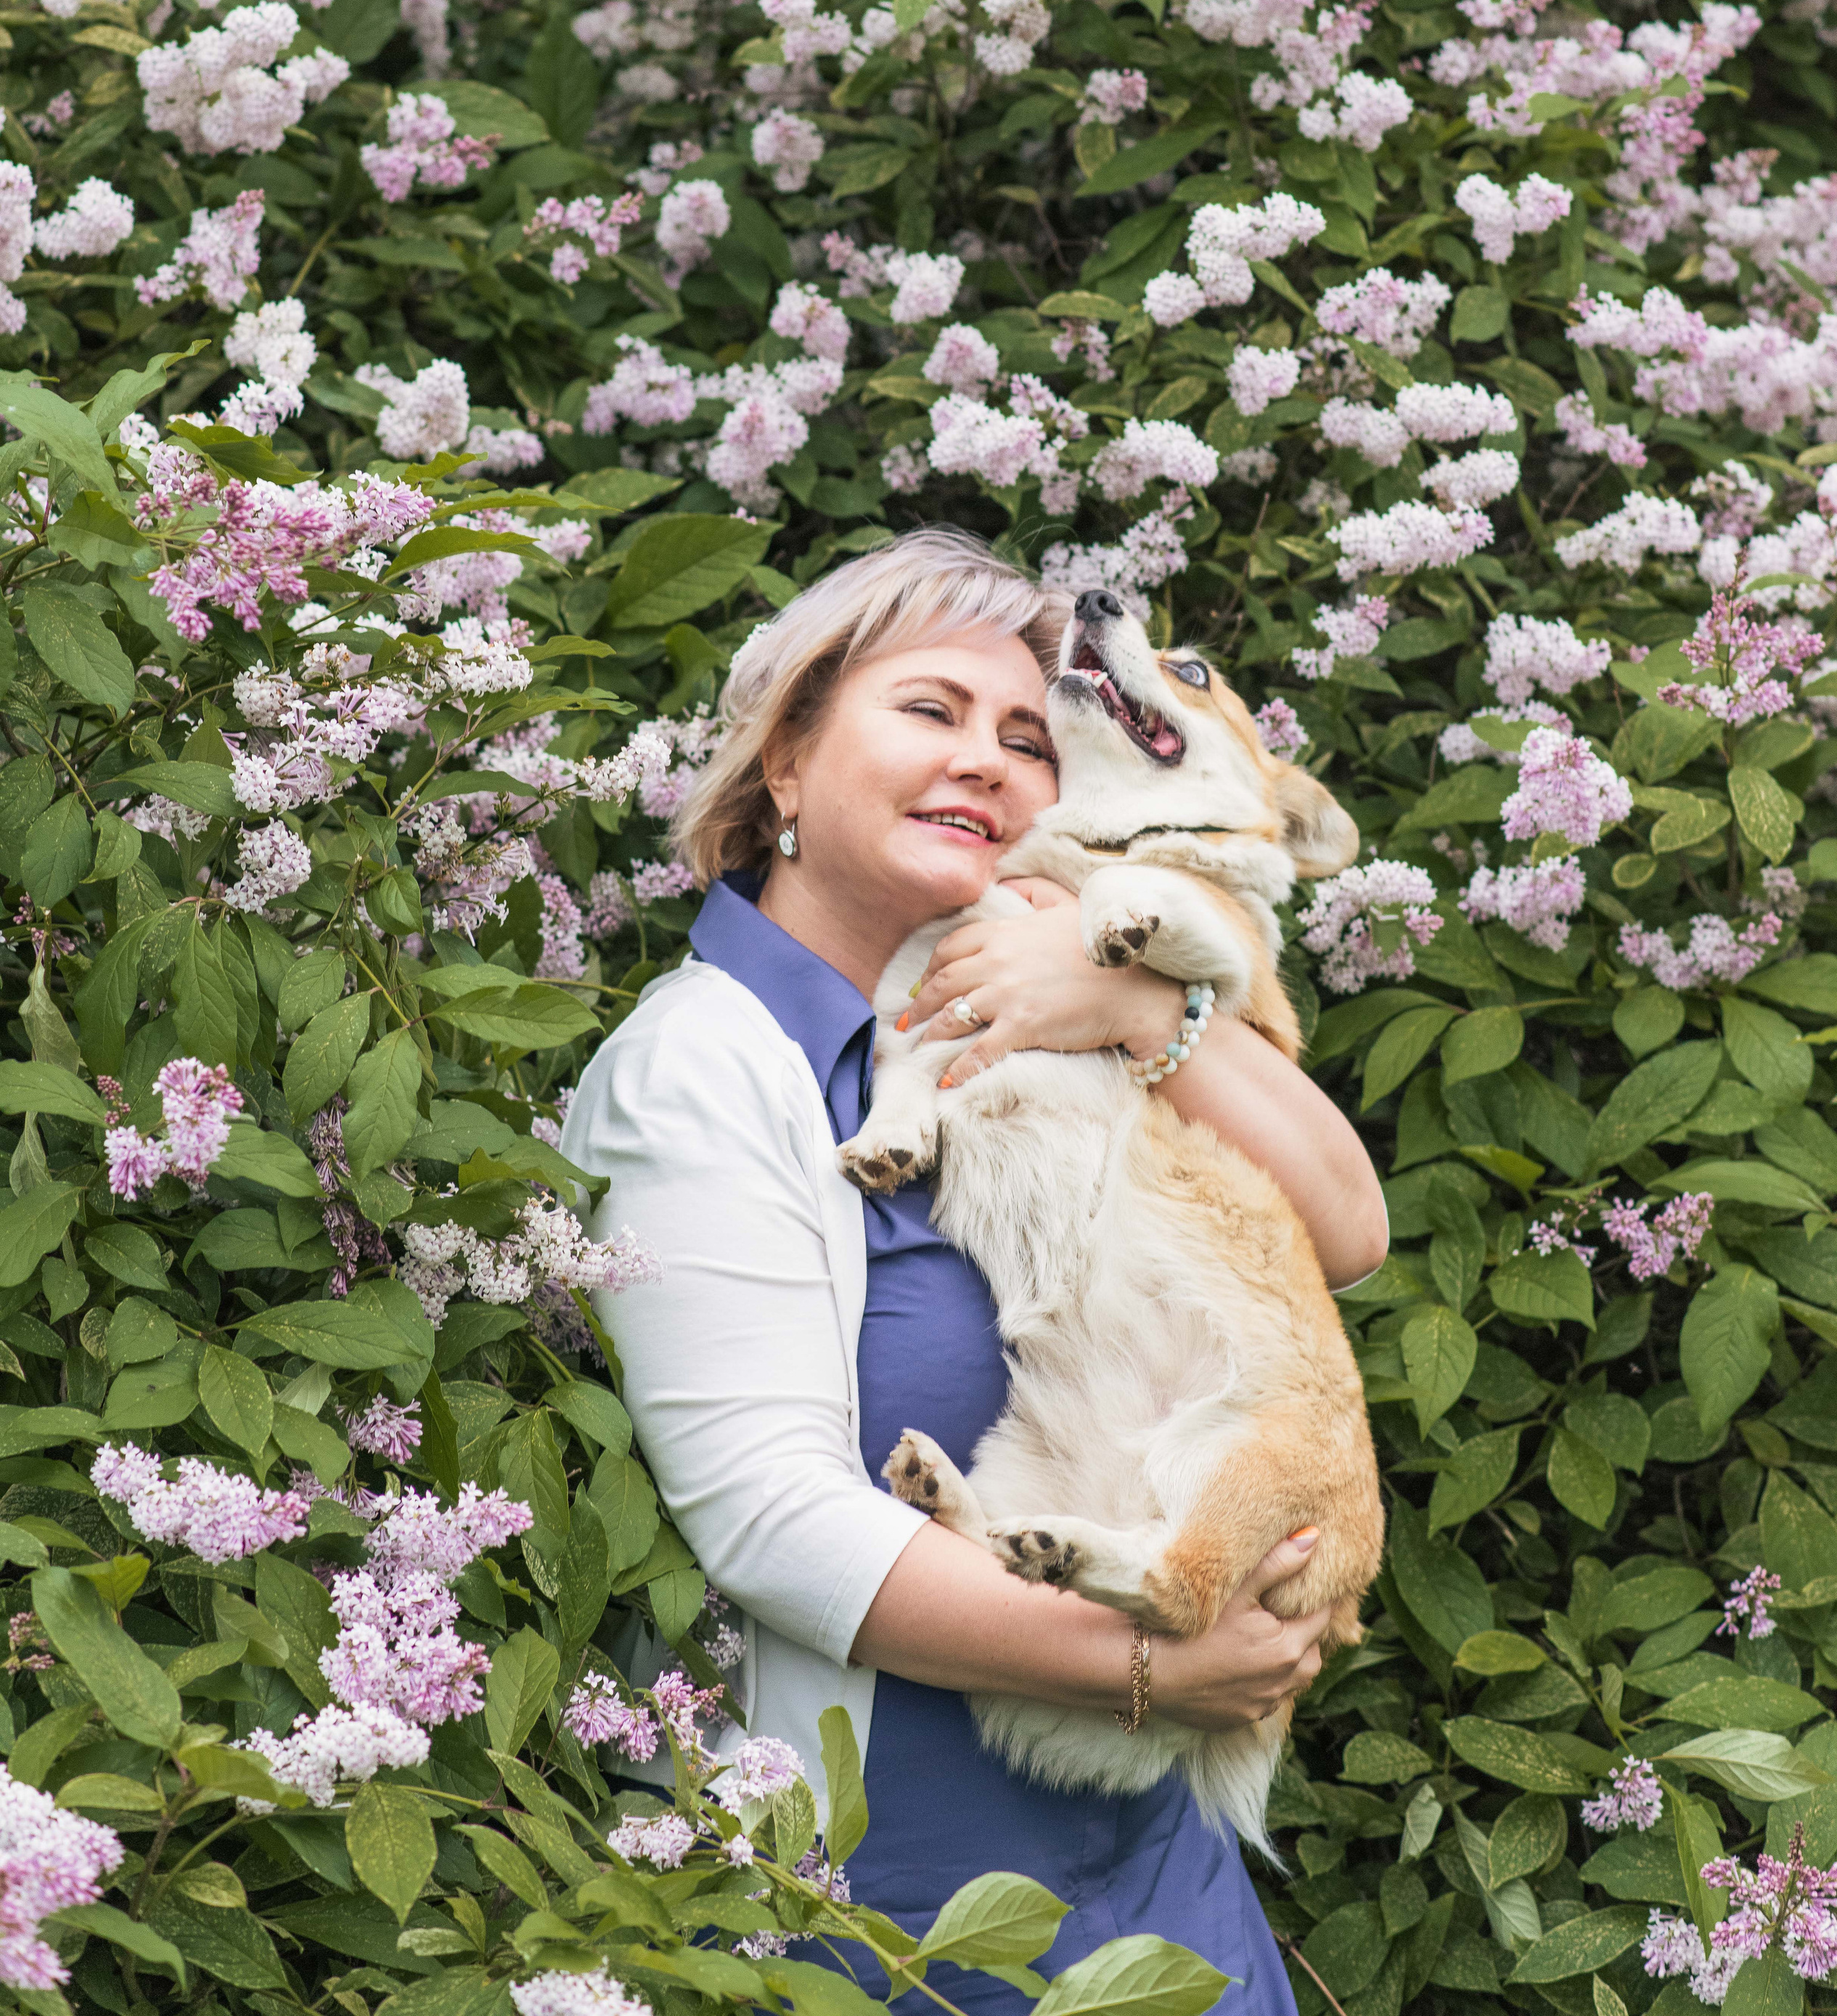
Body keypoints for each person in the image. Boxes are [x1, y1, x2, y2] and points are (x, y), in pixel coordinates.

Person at [562, 529, 1387, 2016]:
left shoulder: (1044, 994)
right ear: (786, 763)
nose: (988, 761)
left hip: (1152, 1883)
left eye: (1023, 735)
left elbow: (1341, 1222)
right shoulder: (699, 1070)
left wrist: (1142, 1003)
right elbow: (767, 1518)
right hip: (895, 1903)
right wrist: (1146, 1671)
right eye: (928, 709)